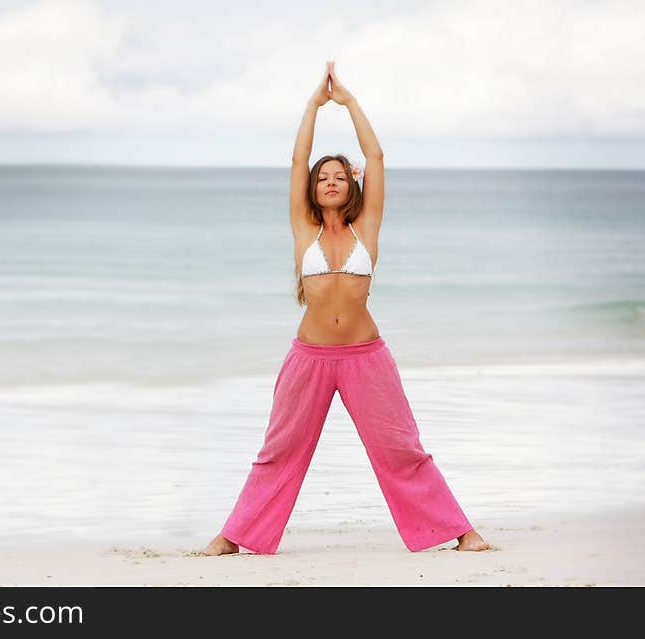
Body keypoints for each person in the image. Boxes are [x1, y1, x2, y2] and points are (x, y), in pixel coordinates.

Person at [202, 61, 489, 556]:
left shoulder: (367, 229)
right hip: (309, 358)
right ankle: (235, 536)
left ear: (351, 186)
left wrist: (349, 102)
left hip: (365, 358)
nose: (331, 182)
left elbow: (375, 156)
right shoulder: (303, 230)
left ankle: (460, 531)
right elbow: (297, 162)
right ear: (313, 189)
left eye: (339, 176)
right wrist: (314, 106)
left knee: (401, 448)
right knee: (279, 450)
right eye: (323, 178)